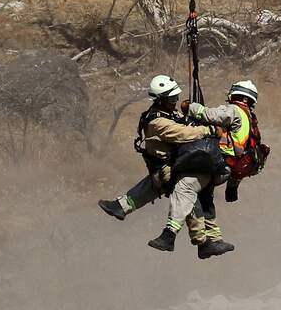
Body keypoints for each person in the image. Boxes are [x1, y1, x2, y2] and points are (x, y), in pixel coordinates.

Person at [98, 75, 237, 259]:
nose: (175, 102)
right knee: (189, 191)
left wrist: (193, 111)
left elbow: (183, 121)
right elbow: (182, 133)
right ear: (160, 100)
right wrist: (209, 130)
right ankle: (198, 241)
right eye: (172, 99)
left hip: (170, 166)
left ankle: (121, 206)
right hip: (168, 169)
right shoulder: (157, 122)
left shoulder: (167, 114)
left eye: (175, 98)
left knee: (159, 187)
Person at [180, 80, 266, 248]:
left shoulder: (234, 110)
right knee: (205, 197)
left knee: (189, 191)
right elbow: (243, 156)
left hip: (217, 162)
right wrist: (232, 186)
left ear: (242, 97)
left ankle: (198, 238)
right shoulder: (250, 118)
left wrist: (190, 107)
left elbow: (209, 115)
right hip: (227, 169)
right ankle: (214, 239)